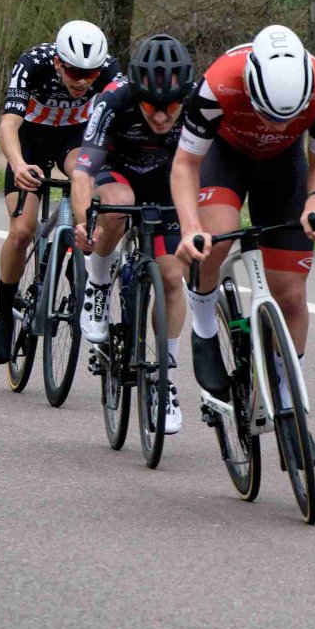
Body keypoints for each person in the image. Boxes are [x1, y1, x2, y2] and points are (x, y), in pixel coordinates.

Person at [171, 25, 315, 459]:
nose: (276, 124)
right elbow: (186, 165)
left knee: (290, 292)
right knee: (216, 238)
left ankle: (287, 401)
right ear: (249, 85)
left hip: (283, 167)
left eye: (288, 117)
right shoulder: (217, 85)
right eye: (268, 113)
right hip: (223, 158)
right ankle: (205, 326)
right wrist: (191, 227)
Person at [72, 34, 194, 433]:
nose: (161, 118)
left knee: (173, 277)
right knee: (118, 206)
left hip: (167, 184)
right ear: (136, 95)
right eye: (150, 108)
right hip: (118, 175)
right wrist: (81, 222)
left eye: (170, 107)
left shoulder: (199, 103)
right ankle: (98, 281)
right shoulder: (114, 101)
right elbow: (83, 171)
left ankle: (164, 380)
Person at [0, 20, 121, 364]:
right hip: (30, 139)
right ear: (59, 63)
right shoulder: (33, 63)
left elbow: (114, 123)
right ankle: (4, 316)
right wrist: (17, 164)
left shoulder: (108, 70)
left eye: (91, 75)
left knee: (83, 174)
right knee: (21, 231)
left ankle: (78, 246)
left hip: (73, 139)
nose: (82, 81)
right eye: (75, 71)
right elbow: (8, 124)